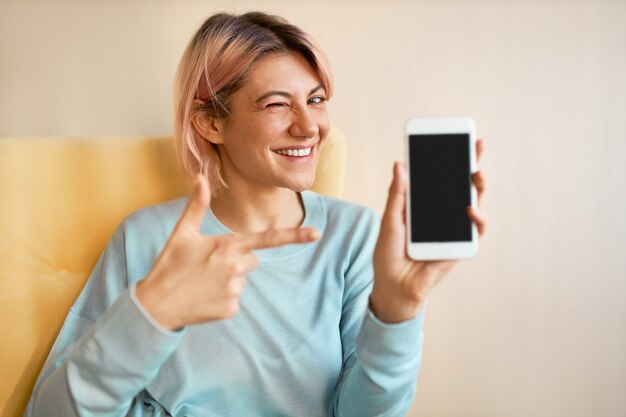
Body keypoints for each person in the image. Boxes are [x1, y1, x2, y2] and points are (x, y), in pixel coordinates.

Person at [25, 11, 487, 417]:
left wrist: (398, 313)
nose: (308, 126)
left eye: (317, 99)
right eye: (277, 104)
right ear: (210, 122)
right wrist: (150, 316)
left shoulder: (356, 235)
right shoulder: (146, 239)